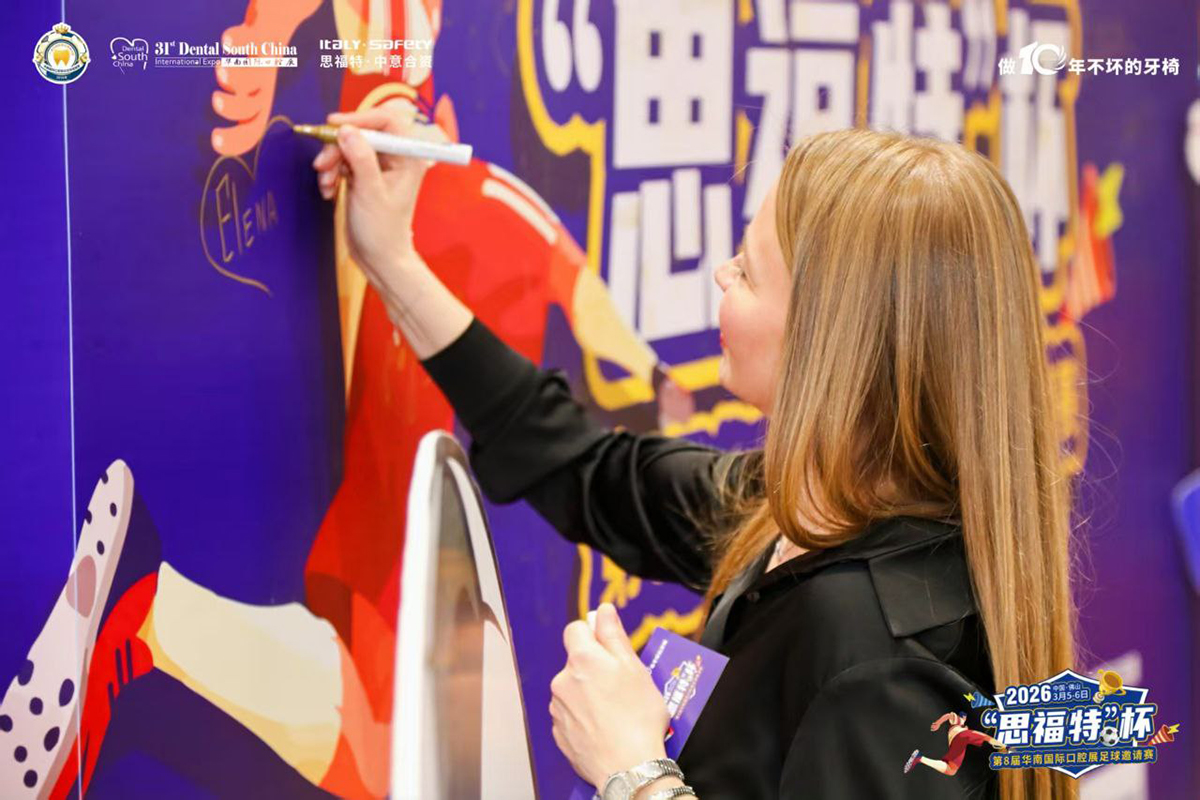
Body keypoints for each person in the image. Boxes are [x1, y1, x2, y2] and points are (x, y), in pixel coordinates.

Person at [315, 103, 1077, 800]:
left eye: (747, 271)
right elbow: (581, 464)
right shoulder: (795, 508)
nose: (722, 275)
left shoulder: (877, 661)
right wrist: (392, 260)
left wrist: (634, 771)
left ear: (828, 344)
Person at [904, 712, 1007, 777]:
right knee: (986, 738)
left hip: (958, 741)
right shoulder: (958, 720)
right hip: (962, 737)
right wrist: (938, 723)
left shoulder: (959, 725)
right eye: (965, 717)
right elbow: (948, 715)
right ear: (964, 717)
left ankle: (920, 758)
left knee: (951, 770)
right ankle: (919, 758)